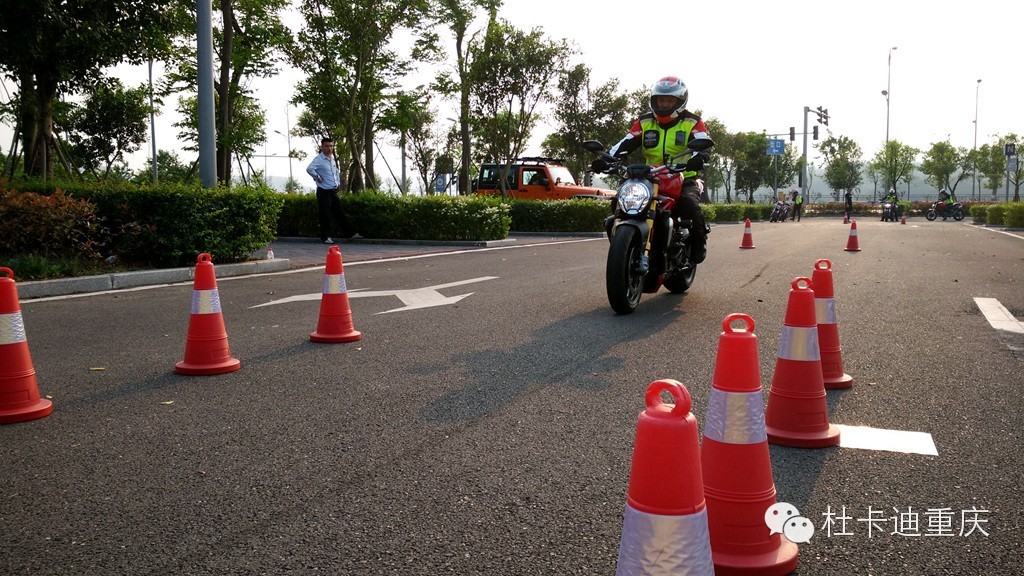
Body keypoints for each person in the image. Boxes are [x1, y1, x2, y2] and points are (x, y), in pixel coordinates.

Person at [604, 76, 712, 263]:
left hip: (683, 176)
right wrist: (606, 159)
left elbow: (703, 144)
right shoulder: (645, 122)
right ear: (654, 100)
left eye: (669, 100)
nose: (664, 104)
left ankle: (698, 243)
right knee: (619, 202)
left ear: (679, 101)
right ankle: (623, 248)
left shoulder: (692, 122)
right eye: (661, 100)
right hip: (649, 177)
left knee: (690, 205)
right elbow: (625, 142)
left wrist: (699, 158)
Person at [306, 137, 357, 244]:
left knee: (339, 211)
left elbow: (335, 173)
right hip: (323, 190)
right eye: (327, 146)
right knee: (325, 214)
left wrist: (337, 183)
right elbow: (309, 169)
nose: (329, 148)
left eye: (331, 146)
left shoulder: (332, 159)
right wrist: (317, 177)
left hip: (332, 190)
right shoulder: (319, 159)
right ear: (322, 147)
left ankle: (350, 234)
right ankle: (326, 237)